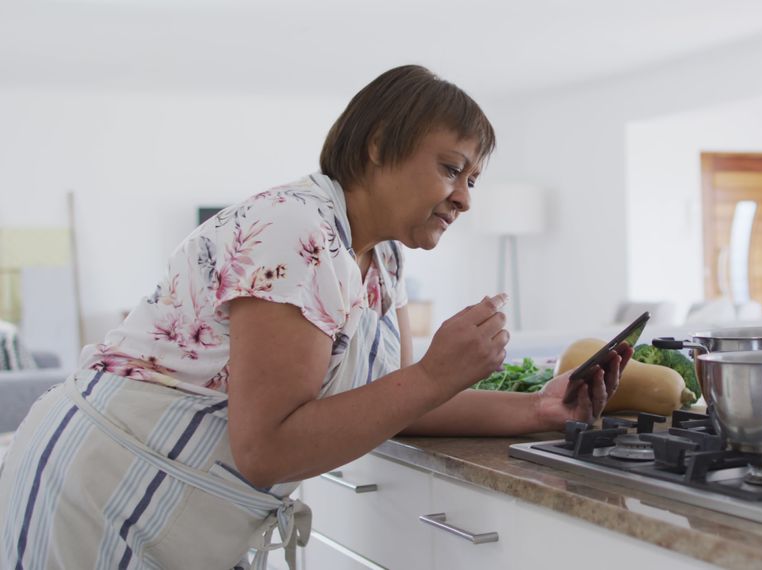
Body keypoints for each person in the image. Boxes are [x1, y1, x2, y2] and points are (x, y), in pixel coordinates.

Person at [0, 65, 631, 569]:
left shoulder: (380, 259)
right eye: (450, 168)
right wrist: (441, 371)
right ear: (381, 143)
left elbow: (397, 401)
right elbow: (266, 448)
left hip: (171, 512)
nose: (465, 198)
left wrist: (541, 411)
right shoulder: (294, 228)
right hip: (99, 502)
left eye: (472, 178)